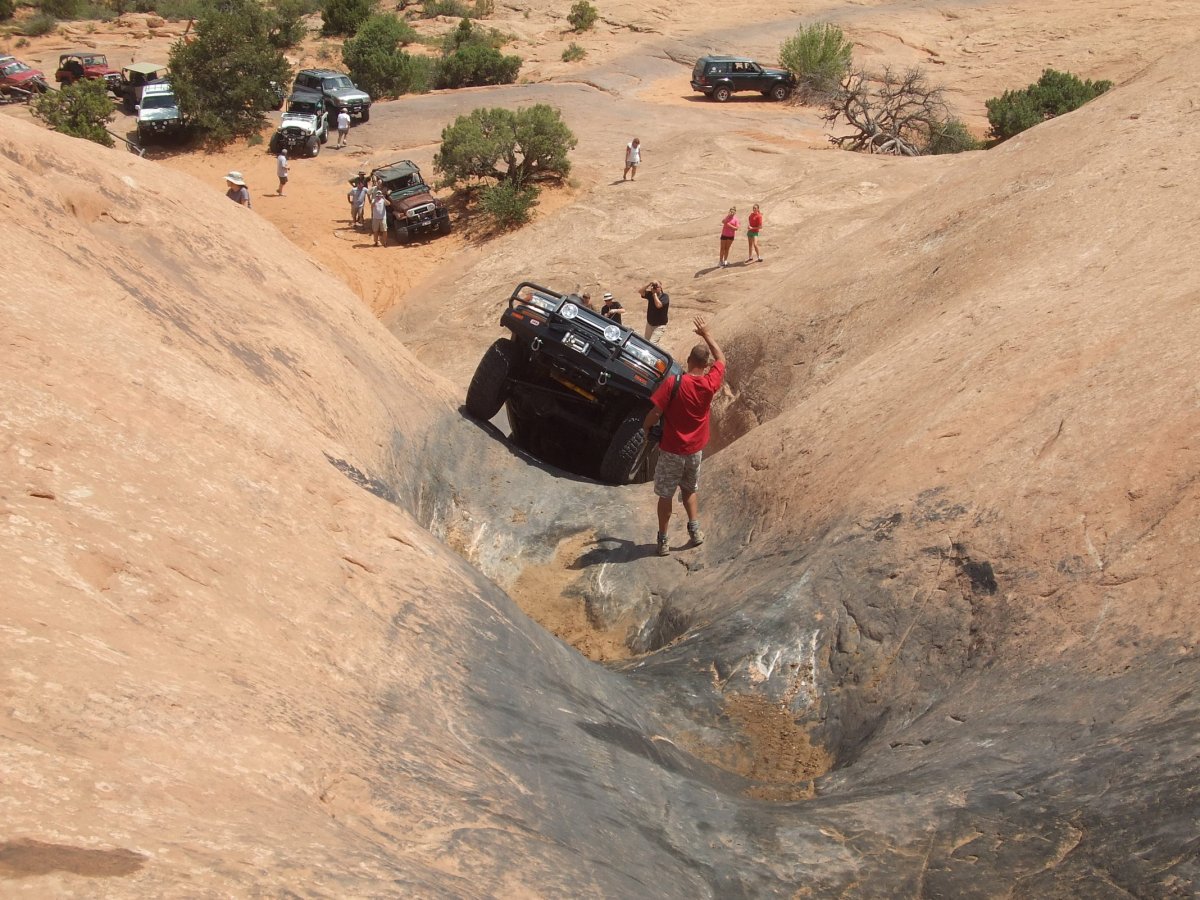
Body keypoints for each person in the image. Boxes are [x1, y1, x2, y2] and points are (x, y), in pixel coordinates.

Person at [642, 316, 725, 556]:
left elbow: (656, 411)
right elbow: (721, 359)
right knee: (689, 490)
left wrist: (646, 428)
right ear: (705, 363)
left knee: (665, 494)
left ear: (689, 361)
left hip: (671, 449)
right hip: (694, 451)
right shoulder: (710, 384)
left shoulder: (673, 383)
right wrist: (707, 334)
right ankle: (695, 531)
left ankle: (663, 540)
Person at [641, 279, 669, 344]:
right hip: (649, 324)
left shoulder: (665, 296)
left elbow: (658, 305)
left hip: (659, 326)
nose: (655, 288)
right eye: (654, 286)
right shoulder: (651, 294)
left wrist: (654, 295)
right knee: (645, 342)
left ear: (661, 287)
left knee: (652, 344)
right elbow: (641, 292)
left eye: (657, 287)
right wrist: (649, 283)